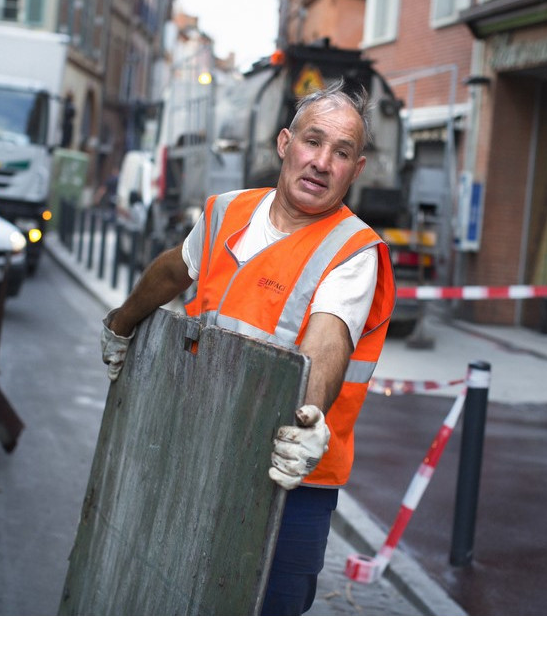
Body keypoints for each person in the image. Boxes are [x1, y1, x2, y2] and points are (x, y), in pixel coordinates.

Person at [100, 80, 395, 615]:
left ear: (358, 169)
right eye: (313, 141)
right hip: (202, 448)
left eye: (342, 152)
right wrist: (121, 323)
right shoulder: (227, 213)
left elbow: (326, 343)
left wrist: (308, 420)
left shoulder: (354, 252)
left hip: (289, 475)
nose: (322, 162)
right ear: (284, 144)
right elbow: (173, 269)